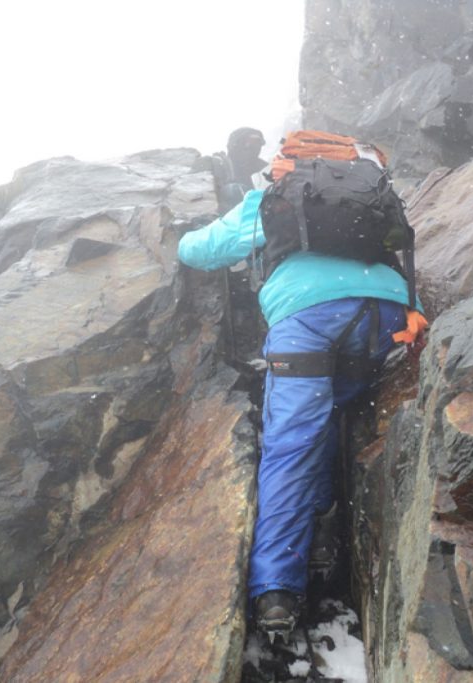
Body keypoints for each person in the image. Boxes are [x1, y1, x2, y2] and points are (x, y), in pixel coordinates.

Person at [177, 153, 426, 640]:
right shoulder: (366, 193)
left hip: (310, 319)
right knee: (332, 412)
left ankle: (277, 589)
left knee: (293, 443)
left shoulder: (276, 197)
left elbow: (202, 250)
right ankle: (322, 538)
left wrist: (179, 236)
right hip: (388, 315)